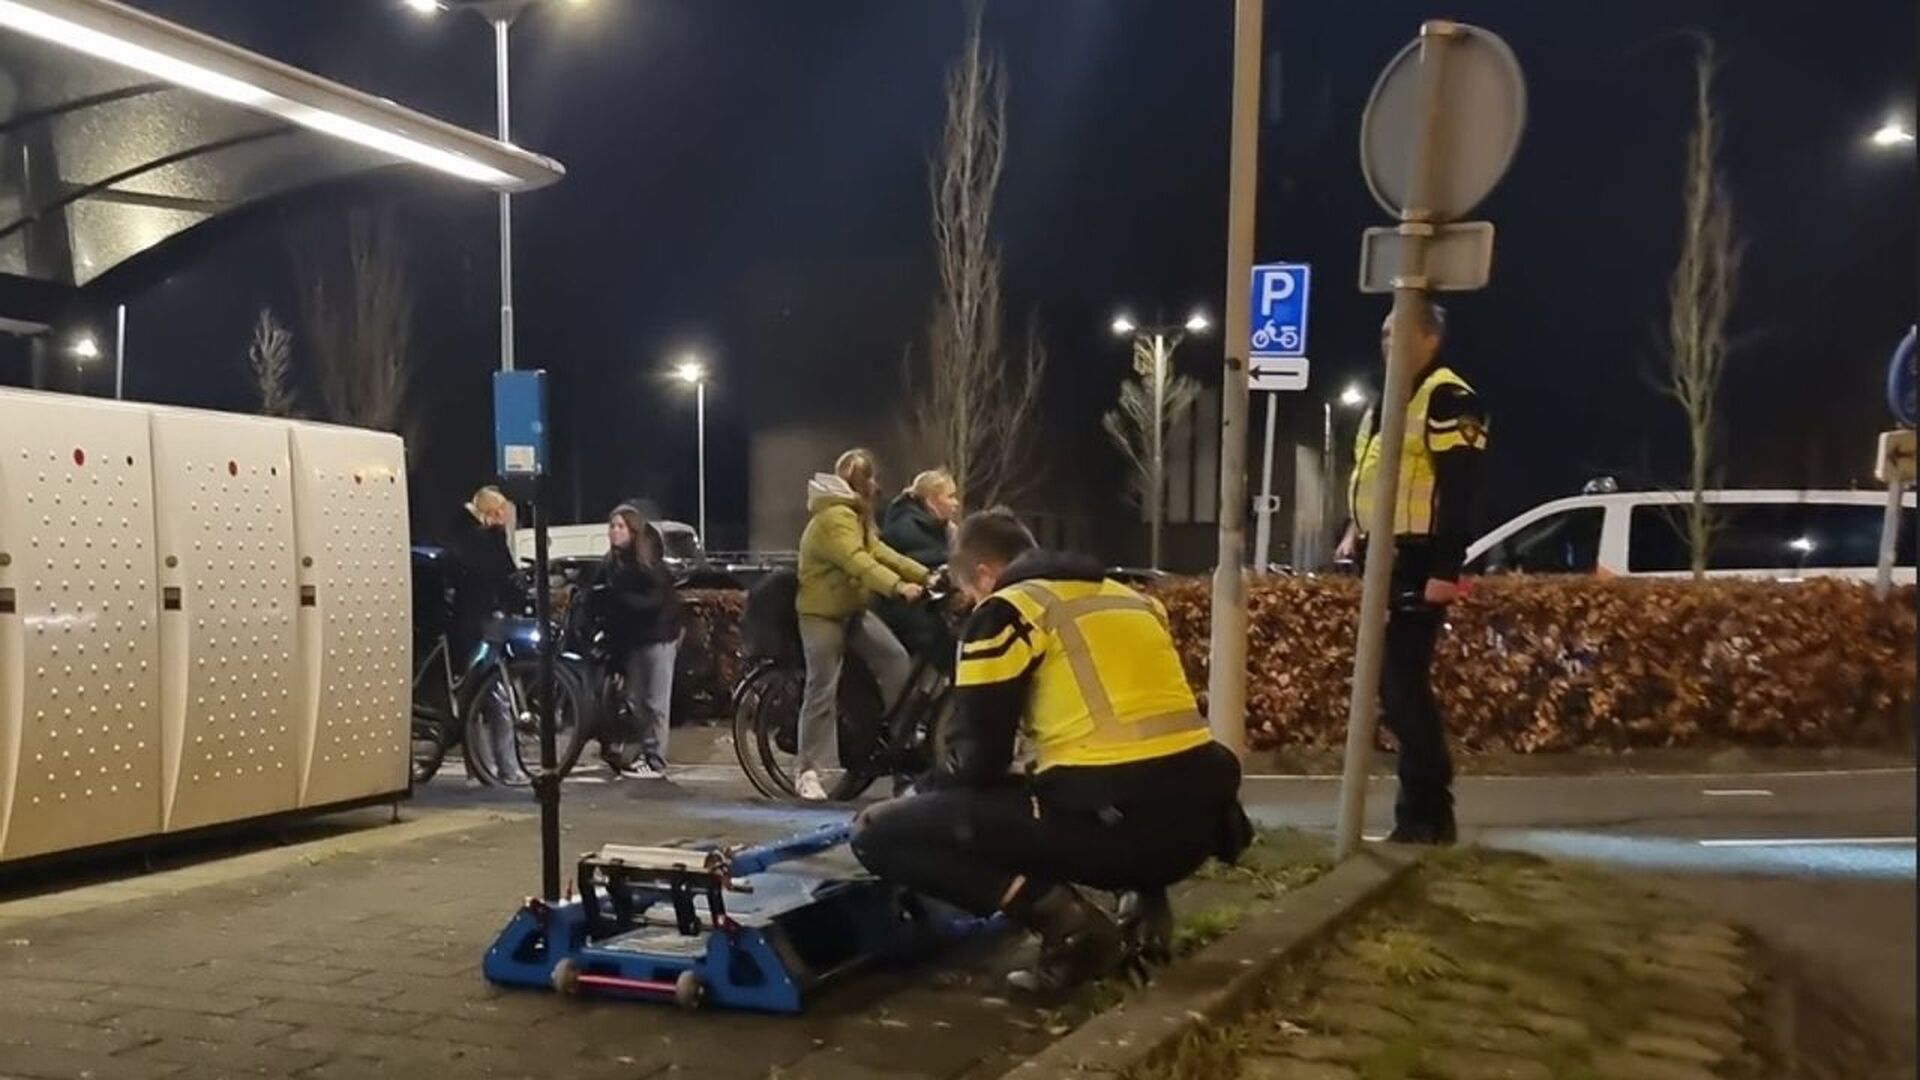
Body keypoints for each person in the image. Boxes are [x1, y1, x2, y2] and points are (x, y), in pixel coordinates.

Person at [852, 509, 1251, 994]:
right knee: (1091, 777)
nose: (972, 602)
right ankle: (1143, 904)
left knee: (879, 834)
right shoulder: (1132, 600)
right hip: (1197, 828)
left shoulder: (1006, 612)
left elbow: (977, 764)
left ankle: (1071, 930)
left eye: (970, 590)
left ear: (984, 574)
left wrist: (920, 795)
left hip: (1122, 833)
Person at [1335, 301, 1488, 845]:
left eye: (1397, 334)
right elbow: (1378, 480)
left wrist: (1446, 568)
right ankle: (1420, 815)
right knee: (1392, 687)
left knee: (1404, 689)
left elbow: (1460, 490)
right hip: (1383, 558)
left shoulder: (1448, 397)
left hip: (1419, 561)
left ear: (1430, 339)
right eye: (1381, 334)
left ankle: (1427, 814)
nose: (1386, 345)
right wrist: (1355, 530)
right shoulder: (1386, 403)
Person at [795, 449, 932, 801]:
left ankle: (901, 749)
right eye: (870, 478)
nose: (876, 485)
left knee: (896, 660)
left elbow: (880, 552)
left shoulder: (856, 514)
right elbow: (856, 561)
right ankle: (809, 771)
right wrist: (899, 587)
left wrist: (927, 575)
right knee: (822, 687)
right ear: (860, 482)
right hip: (822, 614)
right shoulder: (834, 517)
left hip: (853, 610)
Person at [443, 485, 528, 784]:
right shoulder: (484, 541)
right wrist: (520, 597)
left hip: (471, 626)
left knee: (479, 699)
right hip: (481, 626)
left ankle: (481, 767)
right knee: (494, 697)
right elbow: (504, 577)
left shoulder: (462, 539)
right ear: (491, 513)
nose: (504, 518)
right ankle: (501, 766)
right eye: (500, 512)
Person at [599, 504, 683, 780]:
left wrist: (622, 600)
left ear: (633, 531)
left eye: (620, 526)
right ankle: (641, 753)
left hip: (657, 637)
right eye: (612, 526)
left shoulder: (646, 561)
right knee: (635, 700)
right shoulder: (612, 562)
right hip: (634, 639)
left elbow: (658, 600)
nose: (614, 531)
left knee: (656, 701)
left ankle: (656, 760)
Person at [875, 469, 963, 671]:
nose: (955, 503)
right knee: (950, 653)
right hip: (906, 610)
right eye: (950, 496)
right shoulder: (907, 528)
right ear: (931, 501)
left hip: (923, 606)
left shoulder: (943, 529)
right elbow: (931, 568)